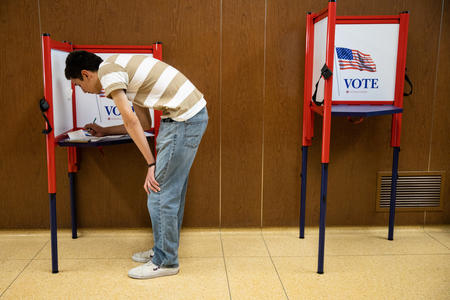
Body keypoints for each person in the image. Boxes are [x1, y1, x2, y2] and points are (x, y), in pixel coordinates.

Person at [65, 51, 208, 279]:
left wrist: (151, 163)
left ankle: (166, 261)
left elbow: (132, 122)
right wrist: (105, 130)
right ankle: (163, 250)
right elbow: (143, 122)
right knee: (169, 193)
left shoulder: (108, 73)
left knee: (159, 193)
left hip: (183, 120)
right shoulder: (116, 68)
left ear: (85, 74)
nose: (83, 91)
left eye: (79, 85)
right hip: (187, 117)